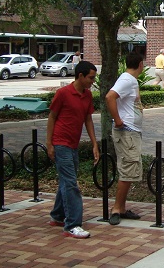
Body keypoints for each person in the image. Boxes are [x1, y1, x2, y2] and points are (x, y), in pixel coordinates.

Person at [46, 61, 99, 239]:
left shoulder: (88, 95)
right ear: (80, 76)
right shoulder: (63, 93)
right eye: (91, 78)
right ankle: (72, 224)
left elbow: (88, 119)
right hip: (61, 143)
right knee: (70, 184)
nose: (93, 81)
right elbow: (52, 117)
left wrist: (94, 144)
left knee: (66, 181)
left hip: (73, 144)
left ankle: (57, 216)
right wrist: (49, 144)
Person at [105, 53, 144, 226]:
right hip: (126, 131)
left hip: (132, 131)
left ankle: (121, 207)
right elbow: (109, 96)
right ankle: (116, 208)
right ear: (141, 64)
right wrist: (118, 121)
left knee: (130, 169)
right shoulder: (127, 80)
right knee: (128, 169)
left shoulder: (129, 80)